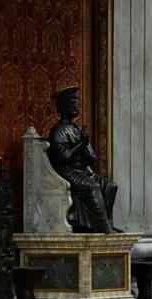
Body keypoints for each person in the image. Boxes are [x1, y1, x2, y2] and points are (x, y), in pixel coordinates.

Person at [47, 86, 119, 234]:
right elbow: (62, 157)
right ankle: (103, 227)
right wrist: (81, 144)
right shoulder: (58, 130)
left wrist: (85, 146)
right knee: (92, 187)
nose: (76, 106)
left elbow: (92, 158)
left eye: (76, 103)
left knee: (110, 186)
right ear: (63, 107)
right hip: (67, 171)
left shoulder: (77, 129)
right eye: (72, 103)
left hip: (83, 170)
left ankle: (108, 223)